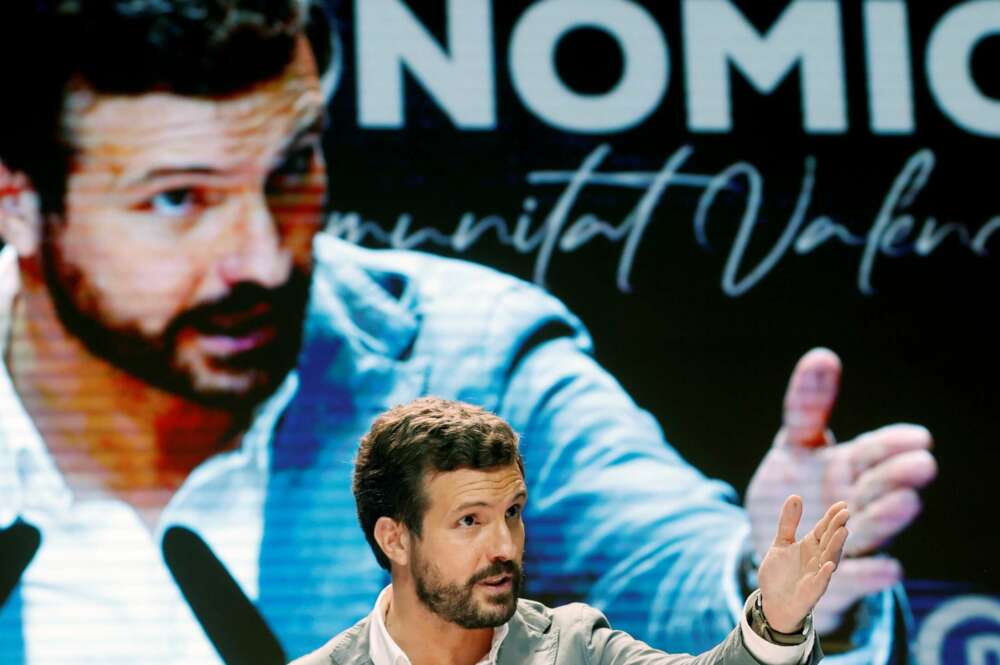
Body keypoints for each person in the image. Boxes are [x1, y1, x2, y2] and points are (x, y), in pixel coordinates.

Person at [0, 1, 936, 663]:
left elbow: (665, 569)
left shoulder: (474, 355)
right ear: (21, 203)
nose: (264, 256)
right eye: (177, 198)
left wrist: (774, 581)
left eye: (290, 169)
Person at [292, 397, 847, 665]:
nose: (504, 547)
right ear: (395, 539)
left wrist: (776, 623)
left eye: (512, 513)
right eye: (469, 521)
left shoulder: (575, 648)